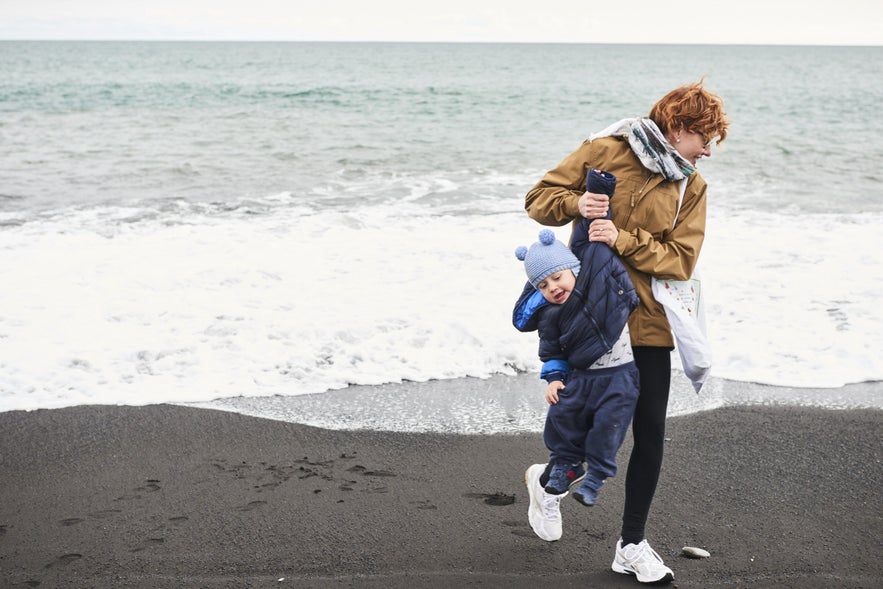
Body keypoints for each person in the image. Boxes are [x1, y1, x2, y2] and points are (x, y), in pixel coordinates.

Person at [522, 80, 730, 585]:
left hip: (650, 323)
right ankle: (547, 488)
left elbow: (681, 259)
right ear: (678, 126)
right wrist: (578, 206)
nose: (707, 150)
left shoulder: (691, 186)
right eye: (703, 137)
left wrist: (623, 237)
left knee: (650, 434)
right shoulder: (606, 150)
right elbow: (538, 198)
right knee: (588, 430)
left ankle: (631, 544)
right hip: (590, 317)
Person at [513, 226, 639, 542]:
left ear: (574, 270)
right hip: (581, 379)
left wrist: (597, 193)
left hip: (619, 377)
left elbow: (598, 250)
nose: (552, 287)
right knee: (562, 421)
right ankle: (558, 472)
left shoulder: (597, 287)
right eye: (543, 285)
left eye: (557, 277)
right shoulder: (551, 315)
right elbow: (551, 350)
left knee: (607, 428)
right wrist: (554, 380)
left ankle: (595, 476)